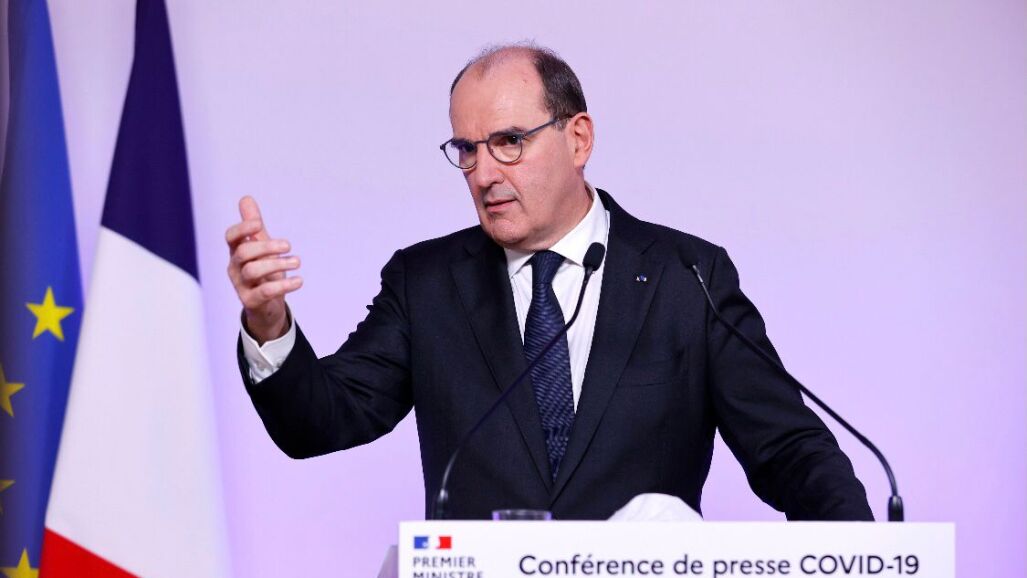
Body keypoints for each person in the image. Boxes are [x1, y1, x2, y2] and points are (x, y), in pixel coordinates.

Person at [226, 44, 873, 521]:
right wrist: (268, 323)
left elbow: (789, 450)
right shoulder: (425, 284)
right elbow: (320, 422)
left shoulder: (688, 277)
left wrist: (858, 554)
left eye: (508, 141)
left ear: (578, 138)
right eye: (467, 149)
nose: (484, 173)